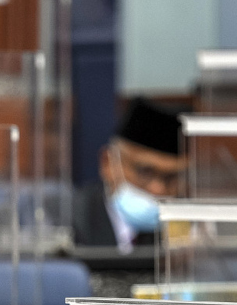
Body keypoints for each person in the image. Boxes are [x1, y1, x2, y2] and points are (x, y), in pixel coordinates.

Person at [73, 97, 185, 254]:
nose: (158, 188)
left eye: (171, 177)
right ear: (108, 163)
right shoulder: (69, 224)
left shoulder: (186, 232)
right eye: (145, 172)